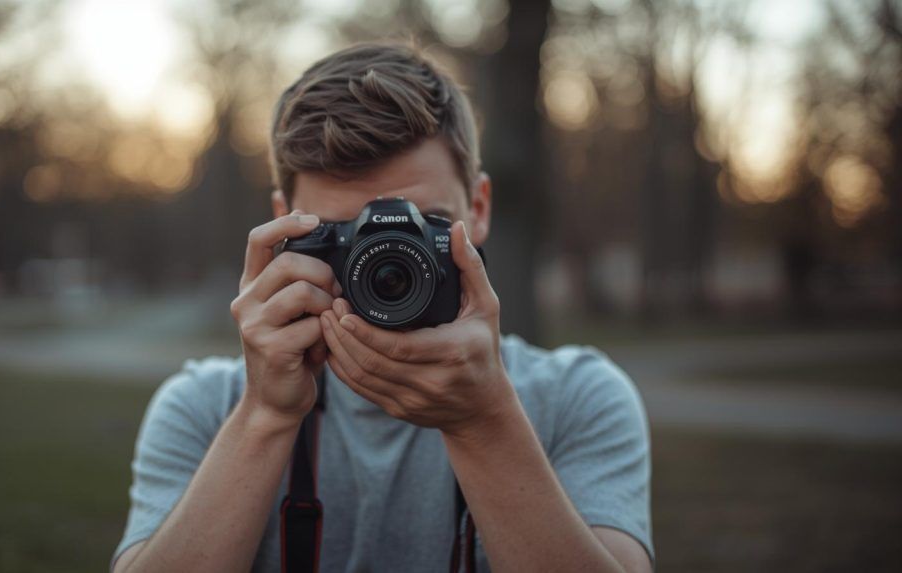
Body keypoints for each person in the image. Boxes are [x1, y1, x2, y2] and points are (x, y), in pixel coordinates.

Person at [111, 41, 653, 572]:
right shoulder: (206, 408)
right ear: (284, 223)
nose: (388, 260)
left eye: (427, 224)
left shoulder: (578, 399)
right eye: (340, 234)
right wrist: (266, 416)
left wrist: (484, 422)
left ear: (480, 207)